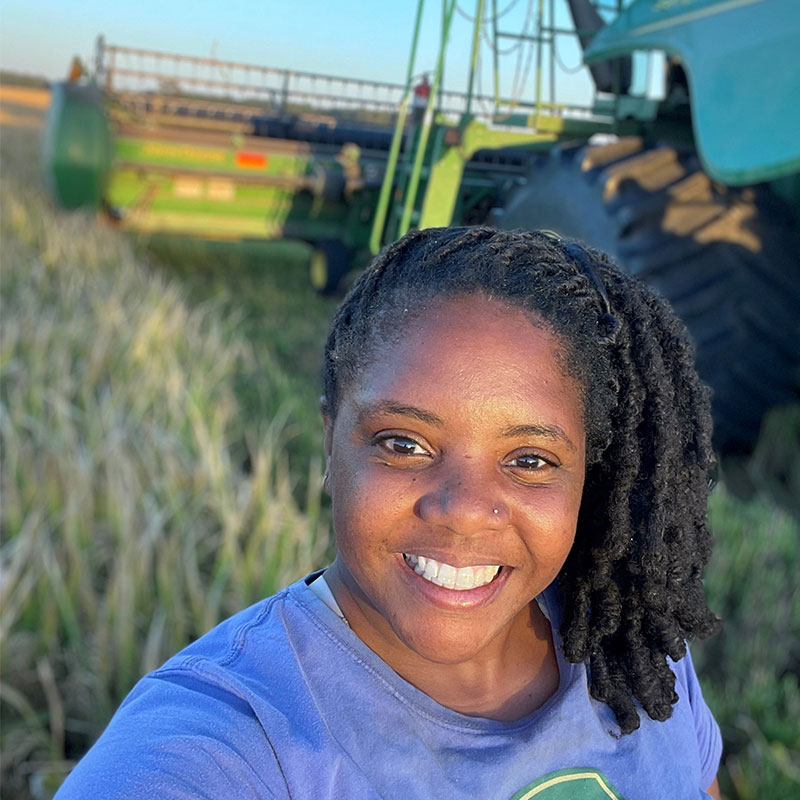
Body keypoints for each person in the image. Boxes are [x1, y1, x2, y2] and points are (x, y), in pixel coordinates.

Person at [55, 227, 723, 799]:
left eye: (530, 461)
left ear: (590, 474)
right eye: (403, 444)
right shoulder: (231, 739)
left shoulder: (639, 649)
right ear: (328, 441)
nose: (462, 512)